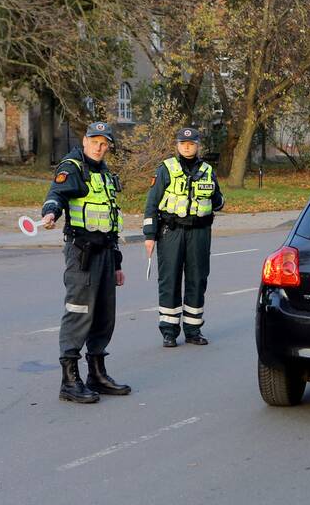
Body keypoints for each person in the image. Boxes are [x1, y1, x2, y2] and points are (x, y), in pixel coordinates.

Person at [40, 121, 132, 403]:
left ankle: (97, 373)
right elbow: (56, 195)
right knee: (79, 312)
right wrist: (50, 214)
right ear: (85, 140)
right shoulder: (73, 167)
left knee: (104, 314)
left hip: (105, 252)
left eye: (105, 143)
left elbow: (110, 220)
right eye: (95, 141)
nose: (100, 147)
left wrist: (116, 263)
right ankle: (69, 379)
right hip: (81, 252)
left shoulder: (104, 174)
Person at [143, 127, 224, 348]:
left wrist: (209, 196)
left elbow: (219, 201)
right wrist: (149, 235)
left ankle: (193, 330)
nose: (187, 146)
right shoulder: (166, 169)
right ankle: (169, 332)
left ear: (198, 145)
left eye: (191, 143)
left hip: (199, 232)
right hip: (171, 231)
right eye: (183, 143)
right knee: (169, 280)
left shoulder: (208, 171)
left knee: (197, 279)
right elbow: (151, 204)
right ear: (177, 145)